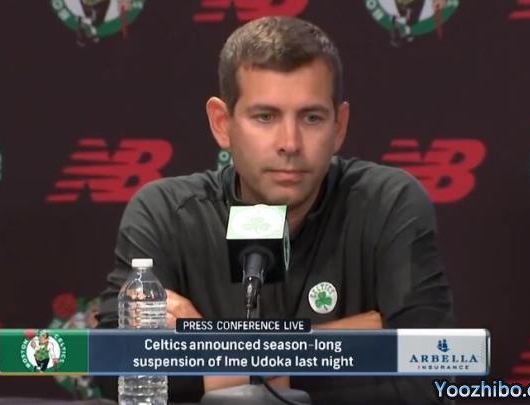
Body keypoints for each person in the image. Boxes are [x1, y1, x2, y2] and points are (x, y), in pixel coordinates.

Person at [96, 16, 454, 404]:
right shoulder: (166, 213)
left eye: (311, 117)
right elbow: (114, 370)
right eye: (265, 117)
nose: (290, 143)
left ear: (339, 126)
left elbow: (429, 375)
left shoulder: (388, 203)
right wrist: (350, 343)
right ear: (222, 123)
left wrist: (207, 349)